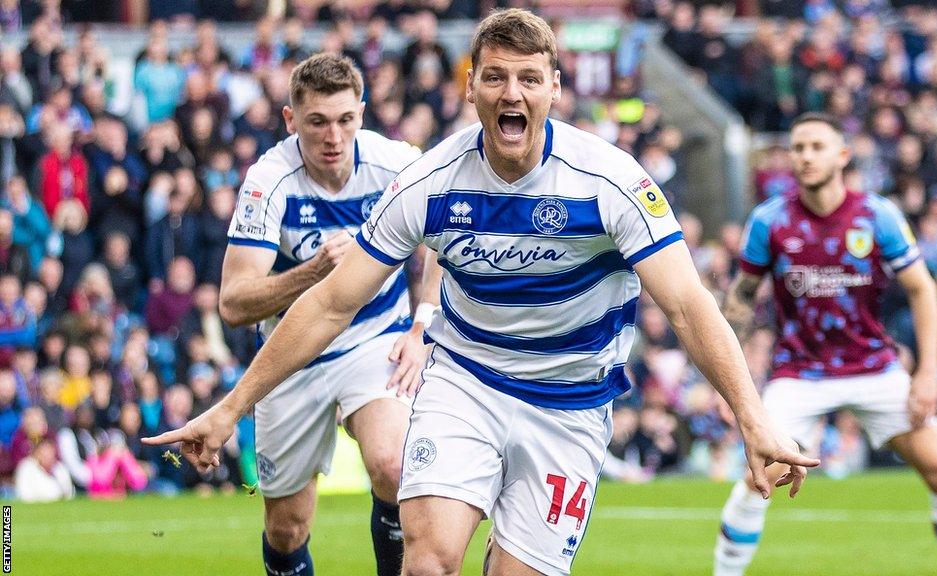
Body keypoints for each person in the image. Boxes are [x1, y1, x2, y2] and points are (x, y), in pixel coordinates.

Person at [146, 11, 814, 576]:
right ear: (472, 88)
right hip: (465, 383)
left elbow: (689, 304)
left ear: (555, 89)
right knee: (428, 562)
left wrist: (753, 419)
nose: (511, 93)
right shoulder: (429, 181)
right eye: (494, 76)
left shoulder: (610, 181)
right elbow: (329, 303)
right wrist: (231, 407)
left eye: (529, 78)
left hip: (570, 404)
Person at [164, 53, 429, 576]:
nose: (334, 136)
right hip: (291, 352)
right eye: (317, 122)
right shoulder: (269, 180)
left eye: (346, 120)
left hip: (377, 337)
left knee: (393, 467)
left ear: (362, 112)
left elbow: (443, 238)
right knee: (287, 530)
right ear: (290, 121)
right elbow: (234, 303)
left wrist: (423, 325)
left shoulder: (398, 163)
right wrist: (311, 272)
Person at [714, 112, 937, 576]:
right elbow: (741, 299)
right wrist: (730, 383)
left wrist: (928, 374)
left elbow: (922, 290)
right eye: (798, 148)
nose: (806, 156)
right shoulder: (769, 221)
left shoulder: (877, 216)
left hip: (873, 368)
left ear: (842, 154)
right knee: (761, 477)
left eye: (817, 146)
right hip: (799, 373)